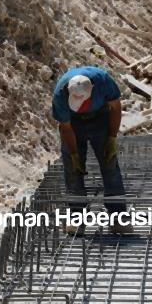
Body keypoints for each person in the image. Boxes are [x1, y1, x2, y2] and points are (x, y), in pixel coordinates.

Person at [51, 66, 130, 234]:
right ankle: (76, 217)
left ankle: (119, 217)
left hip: (101, 119)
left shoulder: (103, 81)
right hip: (74, 124)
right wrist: (74, 155)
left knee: (110, 165)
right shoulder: (60, 95)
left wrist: (111, 138)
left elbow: (116, 108)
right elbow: (65, 128)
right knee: (73, 170)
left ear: (92, 91)